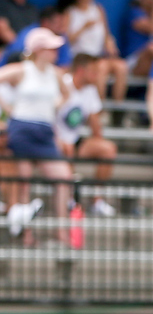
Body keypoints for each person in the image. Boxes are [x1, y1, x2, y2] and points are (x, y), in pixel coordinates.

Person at [0, 26, 72, 244]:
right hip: (21, 129)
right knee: (24, 182)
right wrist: (8, 110)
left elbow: (66, 95)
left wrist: (53, 107)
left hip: (45, 131)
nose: (56, 52)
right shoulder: (22, 70)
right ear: (39, 50)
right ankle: (26, 233)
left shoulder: (56, 74)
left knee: (63, 178)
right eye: (51, 48)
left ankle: (61, 232)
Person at [56, 52, 116, 216]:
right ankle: (69, 199)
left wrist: (98, 142)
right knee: (66, 148)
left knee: (108, 149)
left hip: (74, 140)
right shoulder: (62, 84)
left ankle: (97, 200)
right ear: (81, 70)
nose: (97, 76)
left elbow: (95, 125)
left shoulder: (90, 91)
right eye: (94, 71)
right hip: (55, 140)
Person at [56, 0, 126, 102]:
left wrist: (110, 44)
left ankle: (118, 111)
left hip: (98, 56)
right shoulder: (69, 12)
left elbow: (107, 34)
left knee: (121, 67)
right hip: (80, 58)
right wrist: (83, 28)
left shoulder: (99, 9)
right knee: (101, 68)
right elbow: (65, 41)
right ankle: (100, 110)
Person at [4, 7, 71, 67]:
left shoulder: (60, 36)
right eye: (57, 23)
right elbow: (13, 62)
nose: (61, 28)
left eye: (61, 24)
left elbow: (65, 65)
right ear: (45, 22)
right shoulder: (28, 35)